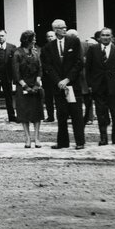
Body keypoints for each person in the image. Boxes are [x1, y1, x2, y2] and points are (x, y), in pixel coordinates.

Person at [42, 19, 85, 150]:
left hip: (72, 84)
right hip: (58, 86)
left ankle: (80, 141)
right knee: (61, 115)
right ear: (55, 30)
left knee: (76, 114)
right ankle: (62, 142)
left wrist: (67, 79)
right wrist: (58, 82)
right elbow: (48, 67)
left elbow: (78, 63)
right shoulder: (48, 48)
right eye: (61, 27)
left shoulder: (74, 42)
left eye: (66, 27)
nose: (65, 29)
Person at [84, 26, 115, 146]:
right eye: (103, 35)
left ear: (111, 37)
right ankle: (103, 137)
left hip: (113, 87)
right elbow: (88, 69)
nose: (105, 38)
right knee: (101, 113)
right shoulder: (93, 49)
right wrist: (90, 85)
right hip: (98, 87)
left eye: (108, 35)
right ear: (99, 37)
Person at [12, 30, 44, 148]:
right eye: (33, 39)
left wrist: (37, 83)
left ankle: (37, 138)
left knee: (37, 112)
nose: (35, 41)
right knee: (24, 113)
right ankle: (27, 139)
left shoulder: (36, 53)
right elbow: (16, 73)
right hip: (22, 86)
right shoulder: (17, 54)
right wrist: (25, 86)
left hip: (35, 85)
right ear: (27, 40)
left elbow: (40, 69)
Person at [0, 30, 17, 124]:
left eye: (2, 36)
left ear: (6, 36)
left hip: (7, 76)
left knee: (8, 97)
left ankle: (12, 116)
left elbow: (15, 62)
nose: (0, 38)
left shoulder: (12, 47)